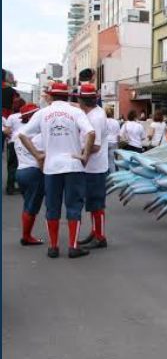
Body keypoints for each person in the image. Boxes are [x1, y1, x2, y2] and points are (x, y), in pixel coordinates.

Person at [17, 81, 97, 259]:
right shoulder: (75, 112)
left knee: (52, 206)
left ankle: (53, 247)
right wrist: (84, 155)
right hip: (73, 165)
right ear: (68, 96)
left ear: (51, 96)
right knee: (73, 206)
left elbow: (22, 134)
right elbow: (91, 133)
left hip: (51, 167)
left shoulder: (42, 113)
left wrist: (37, 155)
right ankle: (73, 246)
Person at [75, 84, 109, 249]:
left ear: (82, 100)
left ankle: (100, 236)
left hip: (94, 167)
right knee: (93, 203)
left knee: (96, 203)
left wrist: (76, 153)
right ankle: (95, 232)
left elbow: (94, 147)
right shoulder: (94, 113)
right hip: (92, 166)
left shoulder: (95, 117)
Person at [14, 104, 46, 245]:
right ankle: (26, 237)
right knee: (32, 207)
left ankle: (26, 235)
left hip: (21, 170)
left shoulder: (19, 133)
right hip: (34, 172)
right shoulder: (38, 136)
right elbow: (42, 157)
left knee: (27, 204)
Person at [2, 96, 25, 194]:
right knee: (23, 164)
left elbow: (7, 131)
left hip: (13, 142)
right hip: (25, 143)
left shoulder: (12, 117)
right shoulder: (26, 115)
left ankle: (10, 187)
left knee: (12, 165)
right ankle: (22, 185)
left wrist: (8, 134)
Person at [105, 107, 120, 173]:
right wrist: (118, 144)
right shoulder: (116, 122)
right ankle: (113, 177)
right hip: (114, 142)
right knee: (112, 162)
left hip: (105, 142)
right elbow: (118, 135)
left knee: (104, 161)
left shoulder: (103, 121)